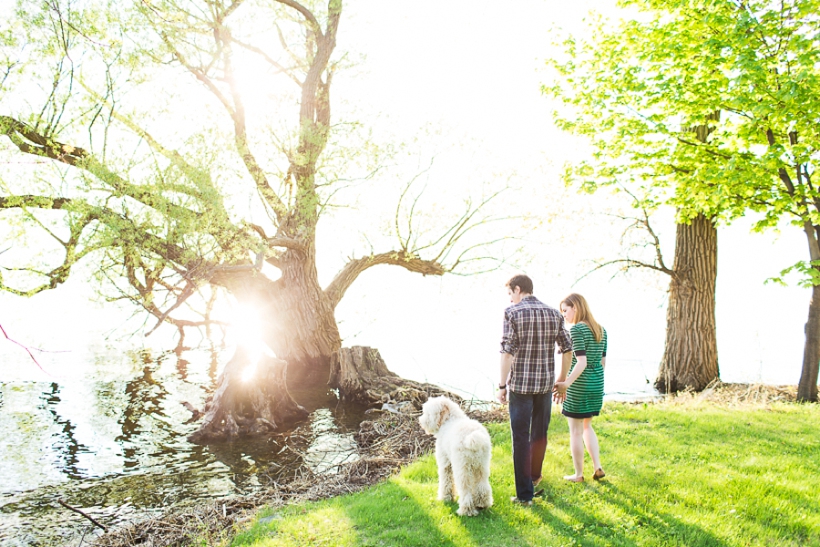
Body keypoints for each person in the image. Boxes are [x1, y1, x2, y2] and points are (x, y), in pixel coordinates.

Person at [498, 274, 573, 504]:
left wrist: (502, 385)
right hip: (544, 385)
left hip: (521, 386)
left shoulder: (512, 313)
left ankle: (524, 495)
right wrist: (561, 379)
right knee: (539, 433)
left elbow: (507, 352)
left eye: (510, 294)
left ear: (518, 289)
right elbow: (567, 347)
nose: (510, 299)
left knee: (520, 437)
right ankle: (534, 476)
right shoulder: (553, 313)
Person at [553, 293, 607, 483]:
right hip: (596, 383)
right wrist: (596, 383)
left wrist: (566, 383)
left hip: (579, 385)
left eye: (565, 311)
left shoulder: (576, 330)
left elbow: (581, 362)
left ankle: (578, 474)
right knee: (587, 425)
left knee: (575, 430)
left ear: (575, 307)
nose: (564, 316)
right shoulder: (602, 330)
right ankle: (598, 466)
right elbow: (602, 362)